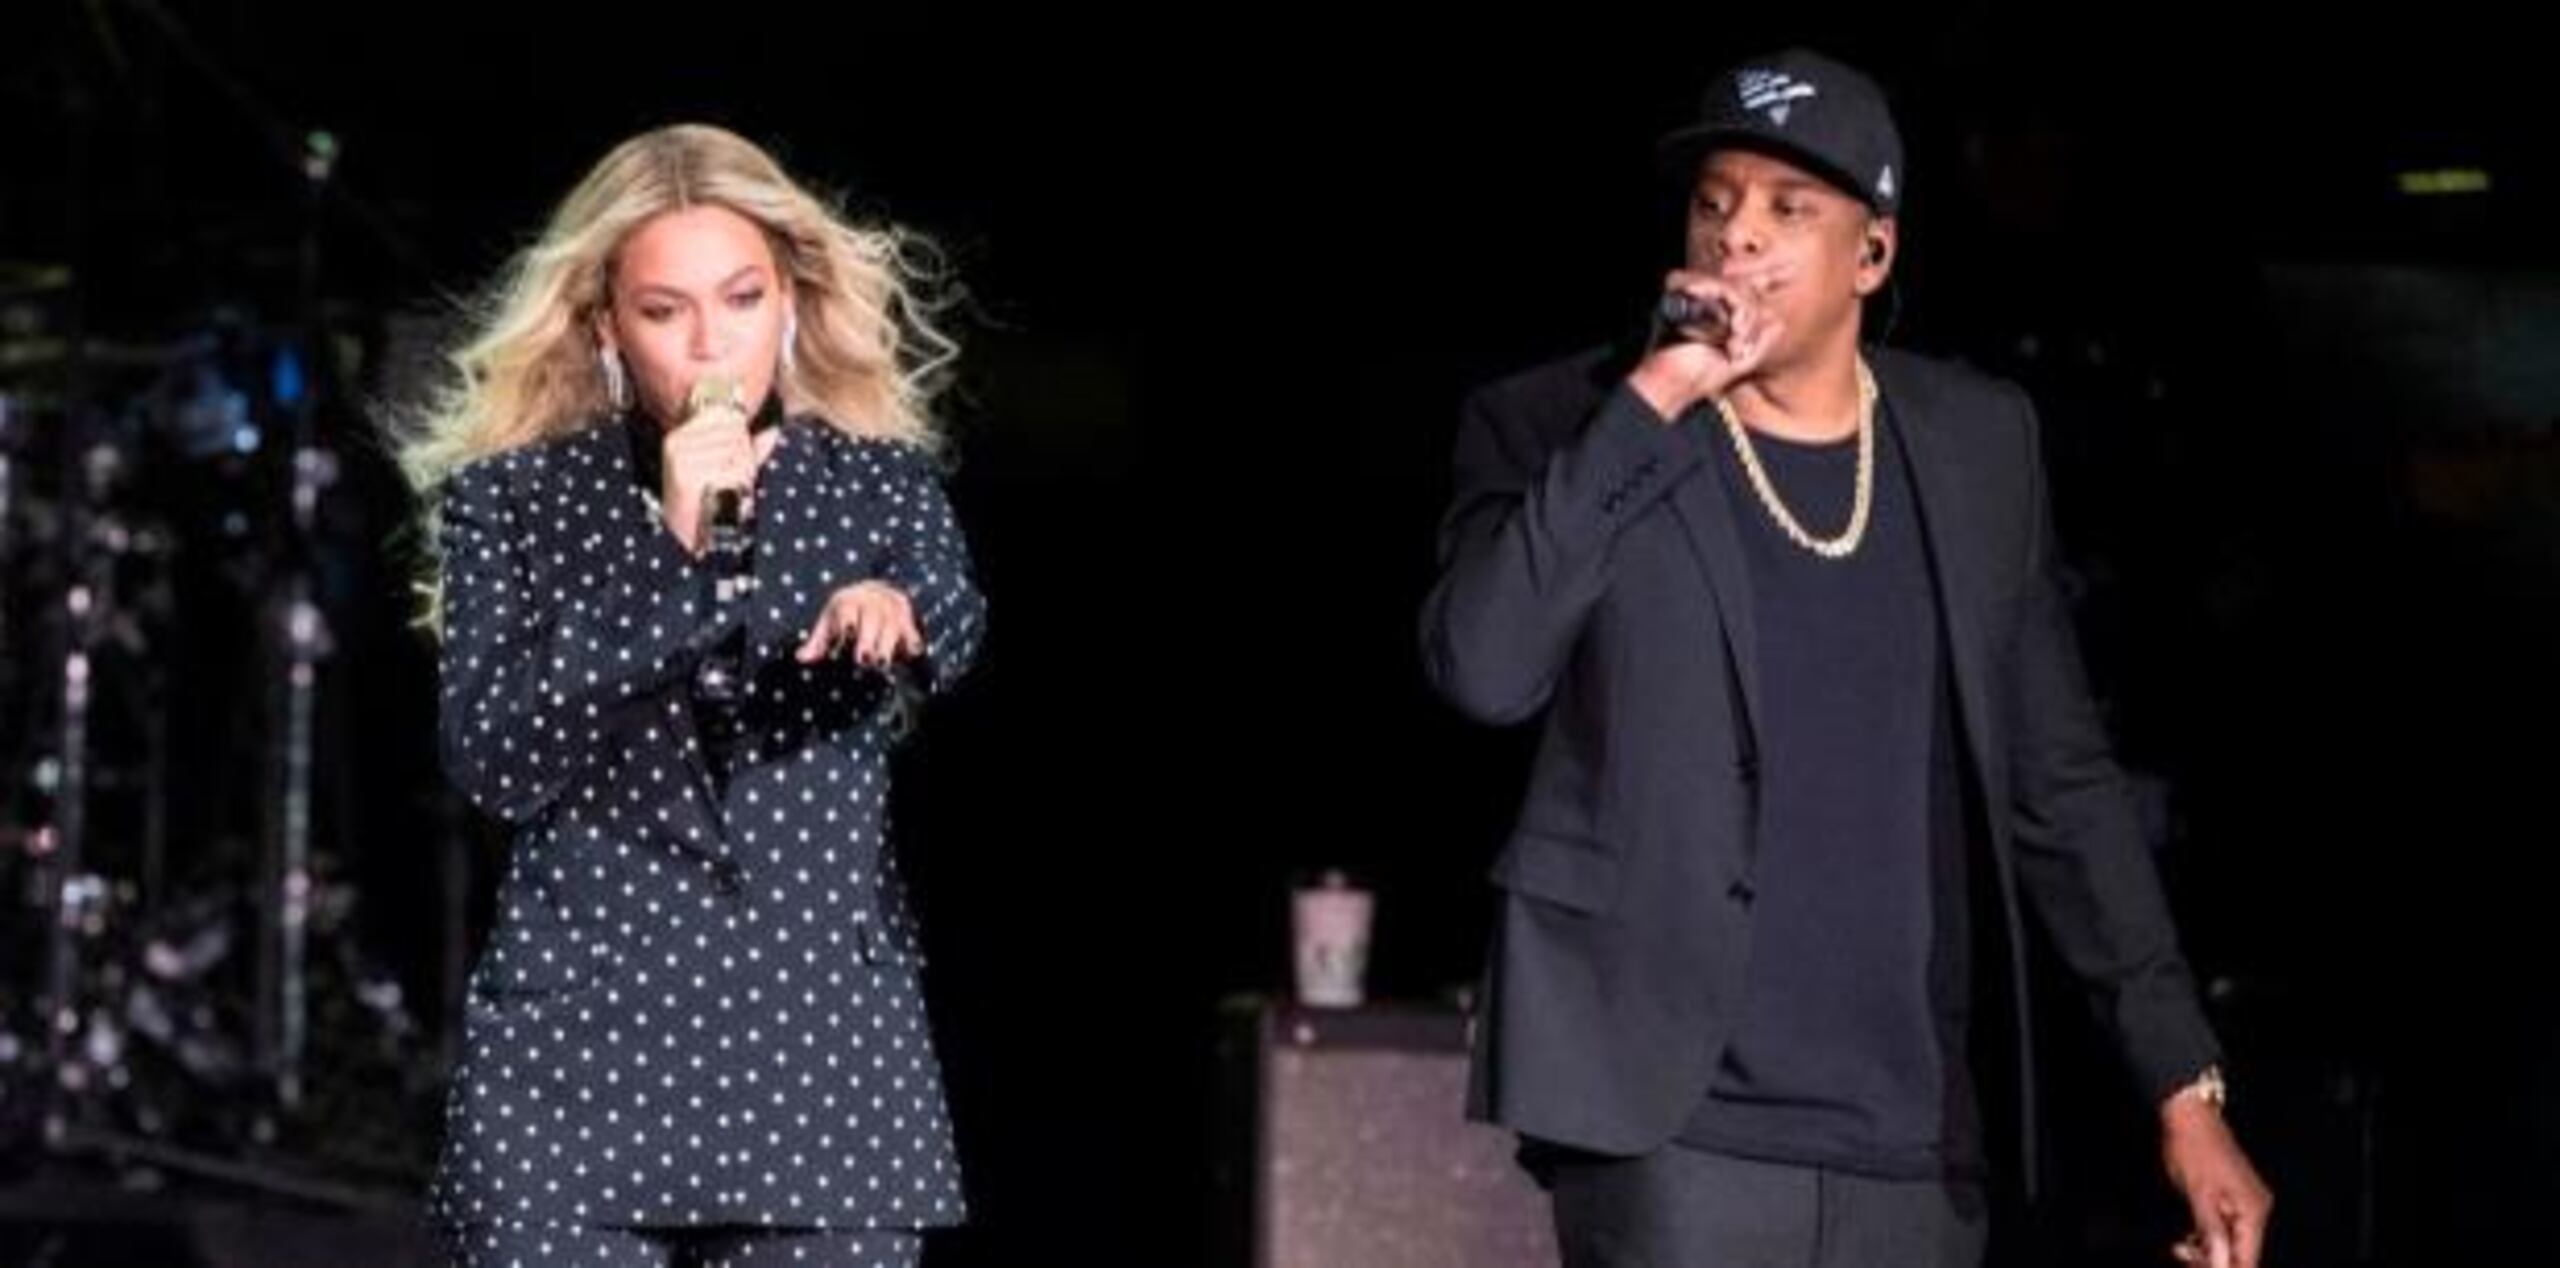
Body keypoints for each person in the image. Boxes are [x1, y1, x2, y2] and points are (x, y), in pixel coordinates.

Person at [1418, 49, 2270, 1268]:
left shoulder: (1975, 447)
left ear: (1872, 252)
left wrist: (2184, 1088)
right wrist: (1655, 395)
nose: (1738, 239)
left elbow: (2060, 785)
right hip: (1671, 1127)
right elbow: (1481, 667)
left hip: (1914, 1133)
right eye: (1715, 202)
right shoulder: (1573, 425)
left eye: (1787, 208)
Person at [399, 122, 985, 1268]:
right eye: (666, 310)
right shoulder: (512, 502)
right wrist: (673, 553)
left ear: (792, 302)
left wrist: (888, 610)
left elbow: (952, 624)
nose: (711, 342)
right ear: (607, 325)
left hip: (820, 1060)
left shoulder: (875, 487)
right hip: (578, 1060)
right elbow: (496, 757)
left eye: (740, 297)